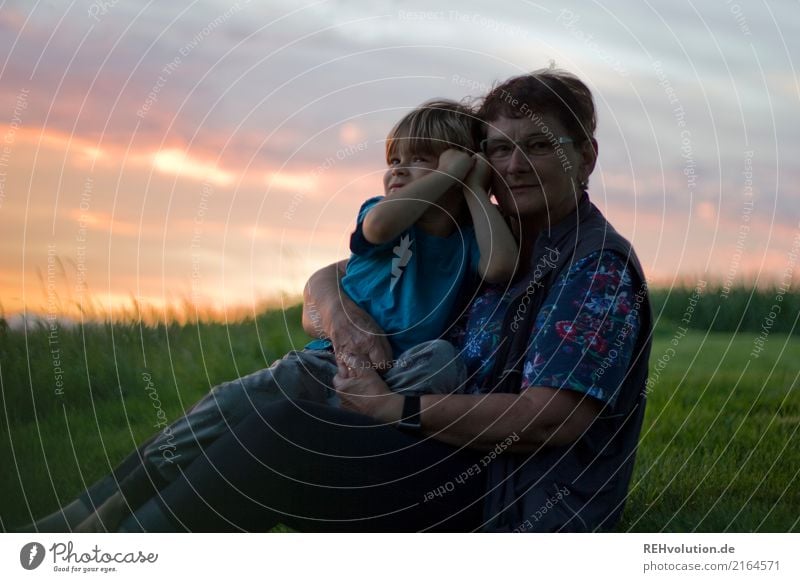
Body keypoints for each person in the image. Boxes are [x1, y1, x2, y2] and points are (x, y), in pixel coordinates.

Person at [80, 67, 653, 533]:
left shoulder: (594, 267)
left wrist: (396, 409)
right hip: (454, 455)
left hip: (509, 501)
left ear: (587, 157)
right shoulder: (501, 239)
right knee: (271, 412)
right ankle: (116, 532)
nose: (513, 165)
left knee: (279, 431)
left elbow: (550, 420)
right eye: (498, 150)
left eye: (538, 147)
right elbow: (338, 275)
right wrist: (343, 319)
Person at [22, 100, 517, 533]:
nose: (398, 172)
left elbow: (500, 265)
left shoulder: (469, 242)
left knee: (441, 358)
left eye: (421, 160)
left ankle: (342, 421)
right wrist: (449, 174)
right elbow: (382, 221)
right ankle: (98, 509)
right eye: (393, 160)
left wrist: (468, 186)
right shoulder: (380, 220)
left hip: (389, 382)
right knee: (220, 412)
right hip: (321, 363)